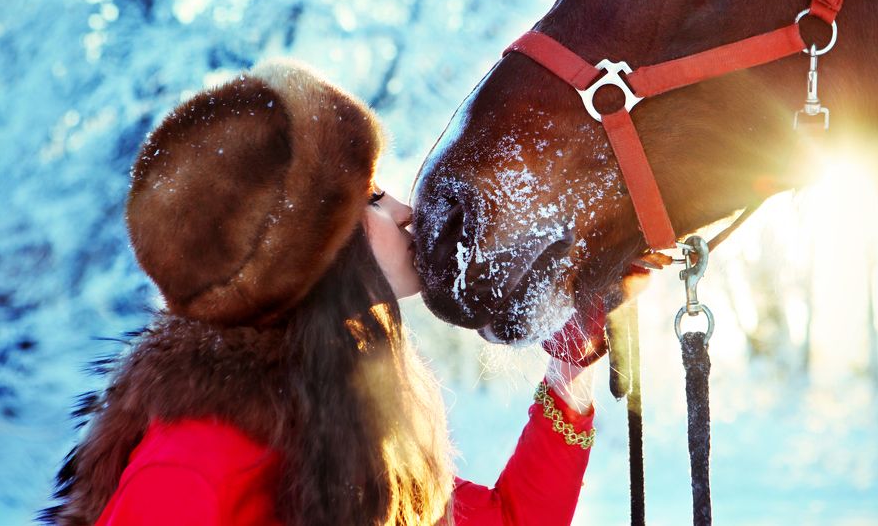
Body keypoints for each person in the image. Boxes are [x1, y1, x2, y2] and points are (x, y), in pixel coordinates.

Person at [43, 60, 598, 526]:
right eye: (373, 196)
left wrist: (570, 373)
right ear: (305, 243)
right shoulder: (197, 459)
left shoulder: (338, 427)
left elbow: (509, 519)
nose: (405, 212)